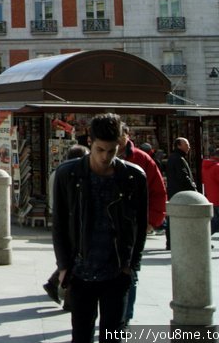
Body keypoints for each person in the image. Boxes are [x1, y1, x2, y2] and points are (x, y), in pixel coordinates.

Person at [52, 114, 147, 342]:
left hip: (116, 272)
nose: (106, 156)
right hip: (81, 271)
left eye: (112, 150)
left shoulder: (134, 177)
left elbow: (140, 225)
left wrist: (132, 266)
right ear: (89, 143)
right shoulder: (68, 174)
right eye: (100, 150)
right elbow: (60, 224)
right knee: (81, 335)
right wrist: (64, 266)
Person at [117, 124, 166, 325]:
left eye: (121, 134)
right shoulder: (101, 157)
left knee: (130, 270)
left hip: (134, 225)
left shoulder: (141, 158)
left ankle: (125, 317)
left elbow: (158, 191)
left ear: (128, 135)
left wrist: (152, 222)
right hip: (107, 226)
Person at [43, 144, 89, 309]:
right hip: (69, 218)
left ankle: (56, 286)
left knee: (70, 258)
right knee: (73, 258)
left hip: (59, 214)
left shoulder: (58, 172)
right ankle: (66, 297)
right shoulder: (69, 173)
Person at [165, 137, 196, 250]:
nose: (188, 147)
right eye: (186, 145)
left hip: (175, 192)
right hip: (180, 193)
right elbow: (183, 177)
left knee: (173, 218)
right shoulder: (178, 159)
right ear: (178, 146)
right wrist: (193, 189)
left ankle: (171, 242)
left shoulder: (175, 158)